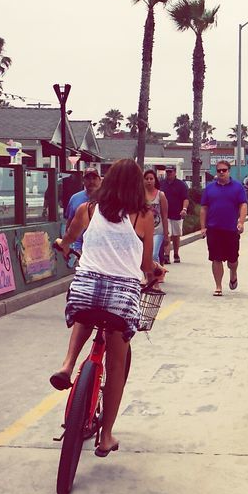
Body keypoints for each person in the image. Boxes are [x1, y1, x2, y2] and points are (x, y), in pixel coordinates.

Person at [49, 159, 163, 457]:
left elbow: (70, 238)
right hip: (121, 299)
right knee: (115, 366)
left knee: (86, 309)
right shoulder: (143, 216)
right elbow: (144, 265)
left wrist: (63, 243)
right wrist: (156, 271)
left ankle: (68, 365)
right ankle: (106, 436)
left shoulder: (88, 209)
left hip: (85, 289)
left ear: (108, 181)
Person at [199, 160, 248, 296]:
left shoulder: (237, 187)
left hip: (231, 229)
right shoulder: (209, 188)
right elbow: (204, 208)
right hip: (214, 229)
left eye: (224, 170)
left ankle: (233, 273)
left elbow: (243, 205)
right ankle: (218, 286)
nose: (221, 172)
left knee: (232, 259)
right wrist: (203, 227)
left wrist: (241, 222)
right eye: (219, 170)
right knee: (216, 258)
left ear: (229, 171)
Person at [64, 167, 103, 258]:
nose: (91, 181)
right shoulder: (75, 198)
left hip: (99, 245)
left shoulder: (107, 199)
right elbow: (69, 222)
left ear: (99, 180)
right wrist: (66, 244)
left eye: (94, 178)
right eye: (88, 178)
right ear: (83, 181)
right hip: (78, 245)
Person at [159, 165, 189, 264]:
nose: (168, 174)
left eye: (170, 172)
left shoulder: (181, 185)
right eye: (167, 172)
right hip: (165, 214)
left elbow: (185, 198)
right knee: (167, 234)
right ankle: (166, 255)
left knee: (176, 236)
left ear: (175, 172)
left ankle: (176, 254)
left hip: (177, 214)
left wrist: (184, 209)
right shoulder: (161, 184)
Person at [143, 169, 168, 274]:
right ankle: (147, 276)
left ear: (155, 180)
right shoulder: (140, 195)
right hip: (144, 230)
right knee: (144, 255)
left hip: (158, 230)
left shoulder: (160, 195)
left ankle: (157, 276)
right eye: (147, 179)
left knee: (153, 254)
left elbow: (164, 215)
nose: (149, 181)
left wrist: (166, 234)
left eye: (151, 179)